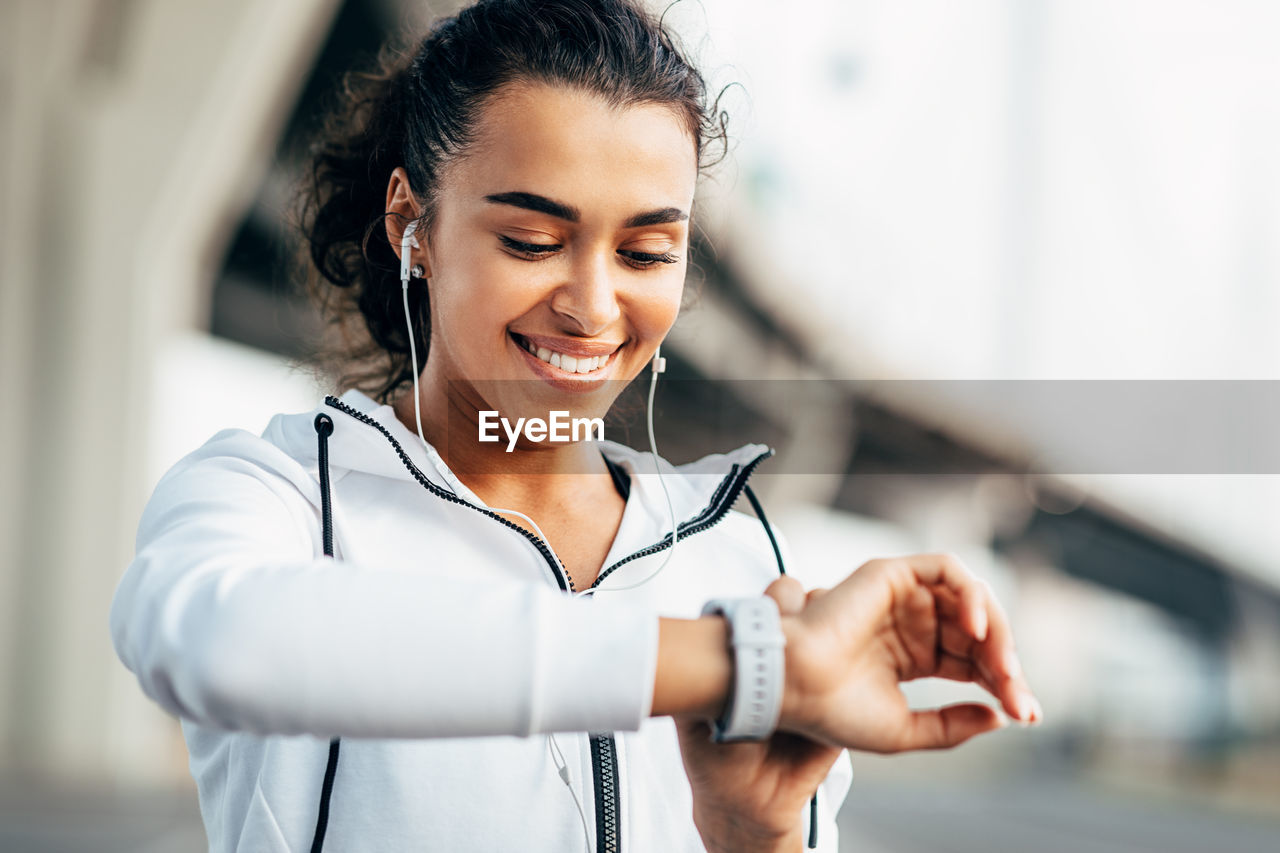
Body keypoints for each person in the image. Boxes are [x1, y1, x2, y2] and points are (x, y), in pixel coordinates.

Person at [109, 1, 1041, 851]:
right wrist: (734, 664)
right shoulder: (276, 493)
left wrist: (750, 829)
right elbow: (221, 644)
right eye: (531, 241)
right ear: (413, 225)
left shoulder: (737, 548)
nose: (594, 308)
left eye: (646, 251)